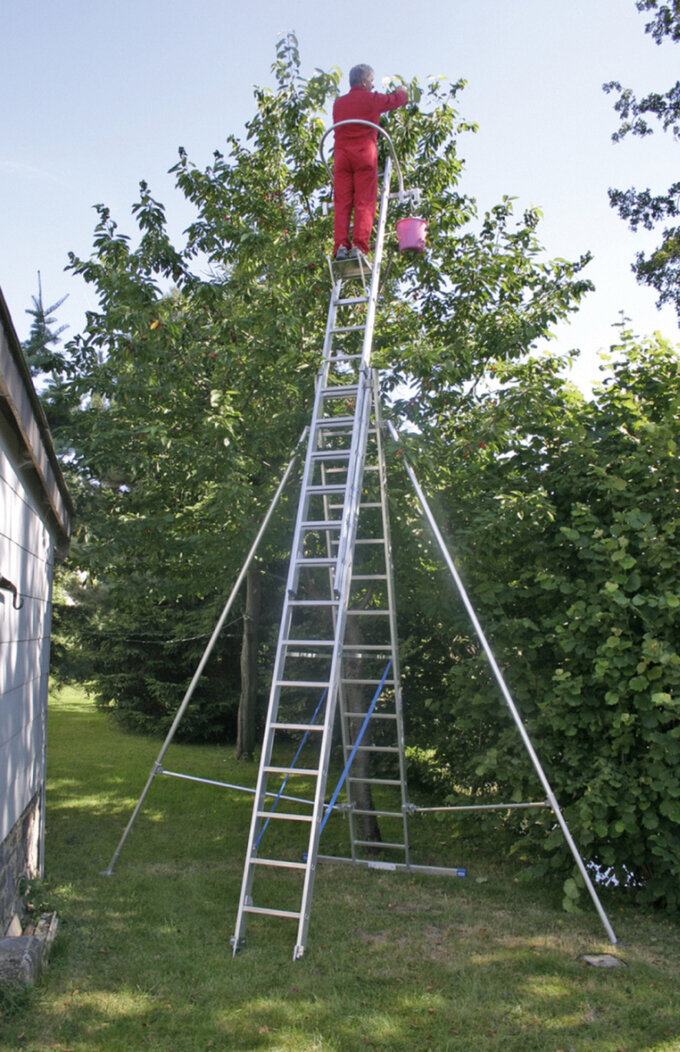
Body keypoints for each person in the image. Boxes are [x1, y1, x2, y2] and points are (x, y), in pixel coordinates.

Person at [332, 64, 407, 260]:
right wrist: (403, 92)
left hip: (341, 158)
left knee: (342, 203)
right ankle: (359, 245)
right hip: (364, 154)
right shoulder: (371, 99)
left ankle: (340, 245)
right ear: (364, 81)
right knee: (364, 201)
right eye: (372, 82)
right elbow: (395, 101)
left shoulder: (338, 104)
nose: (373, 86)